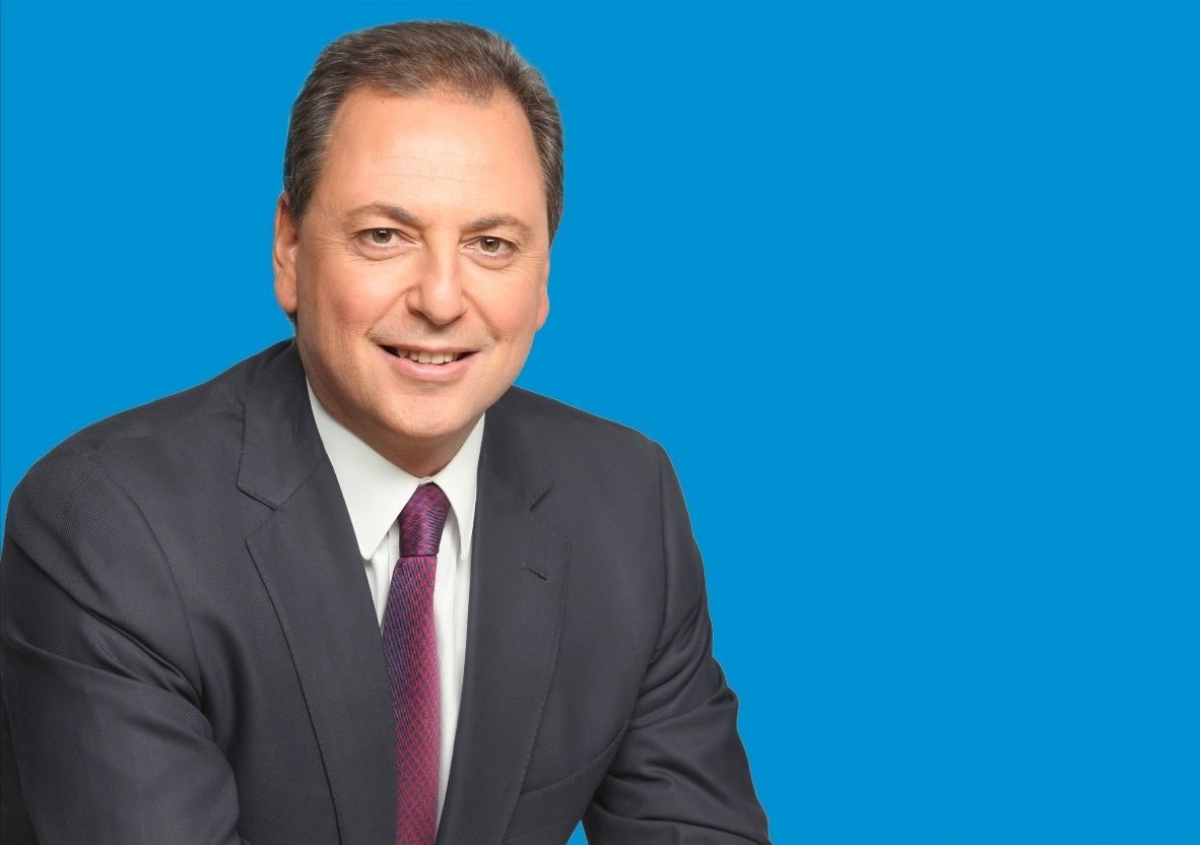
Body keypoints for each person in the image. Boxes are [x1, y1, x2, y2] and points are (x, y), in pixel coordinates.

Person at [0, 21, 770, 845]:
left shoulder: (626, 501)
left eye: (491, 244)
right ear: (289, 249)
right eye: (384, 236)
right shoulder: (111, 526)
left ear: (543, 274)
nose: (440, 298)